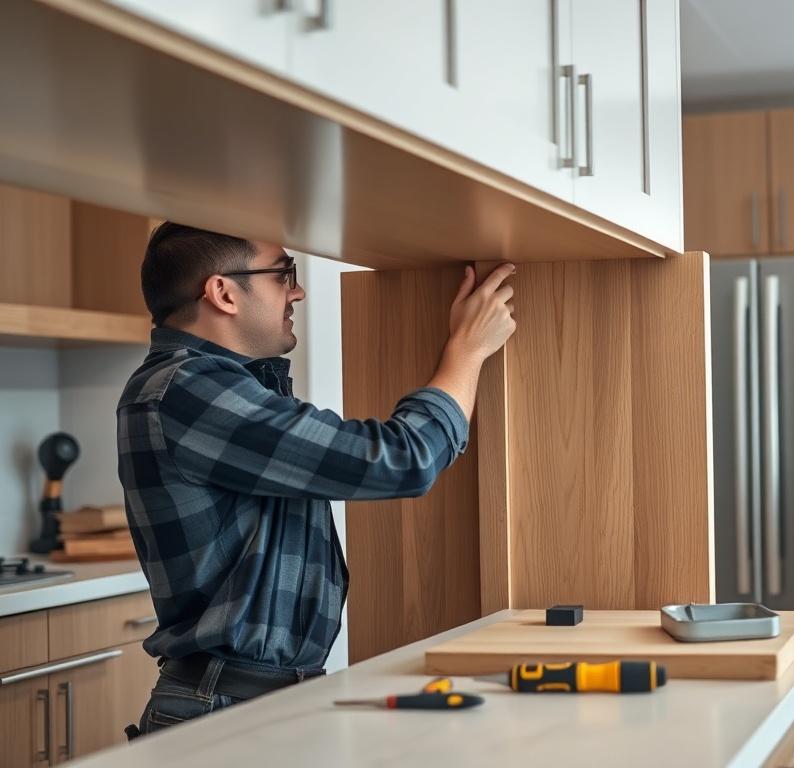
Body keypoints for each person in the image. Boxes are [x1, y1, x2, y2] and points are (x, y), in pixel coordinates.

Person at [118, 223, 515, 737]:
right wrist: (467, 350)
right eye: (284, 274)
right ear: (222, 293)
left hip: (251, 702)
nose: (297, 291)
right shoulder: (188, 390)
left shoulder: (225, 387)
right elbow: (401, 458)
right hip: (228, 710)